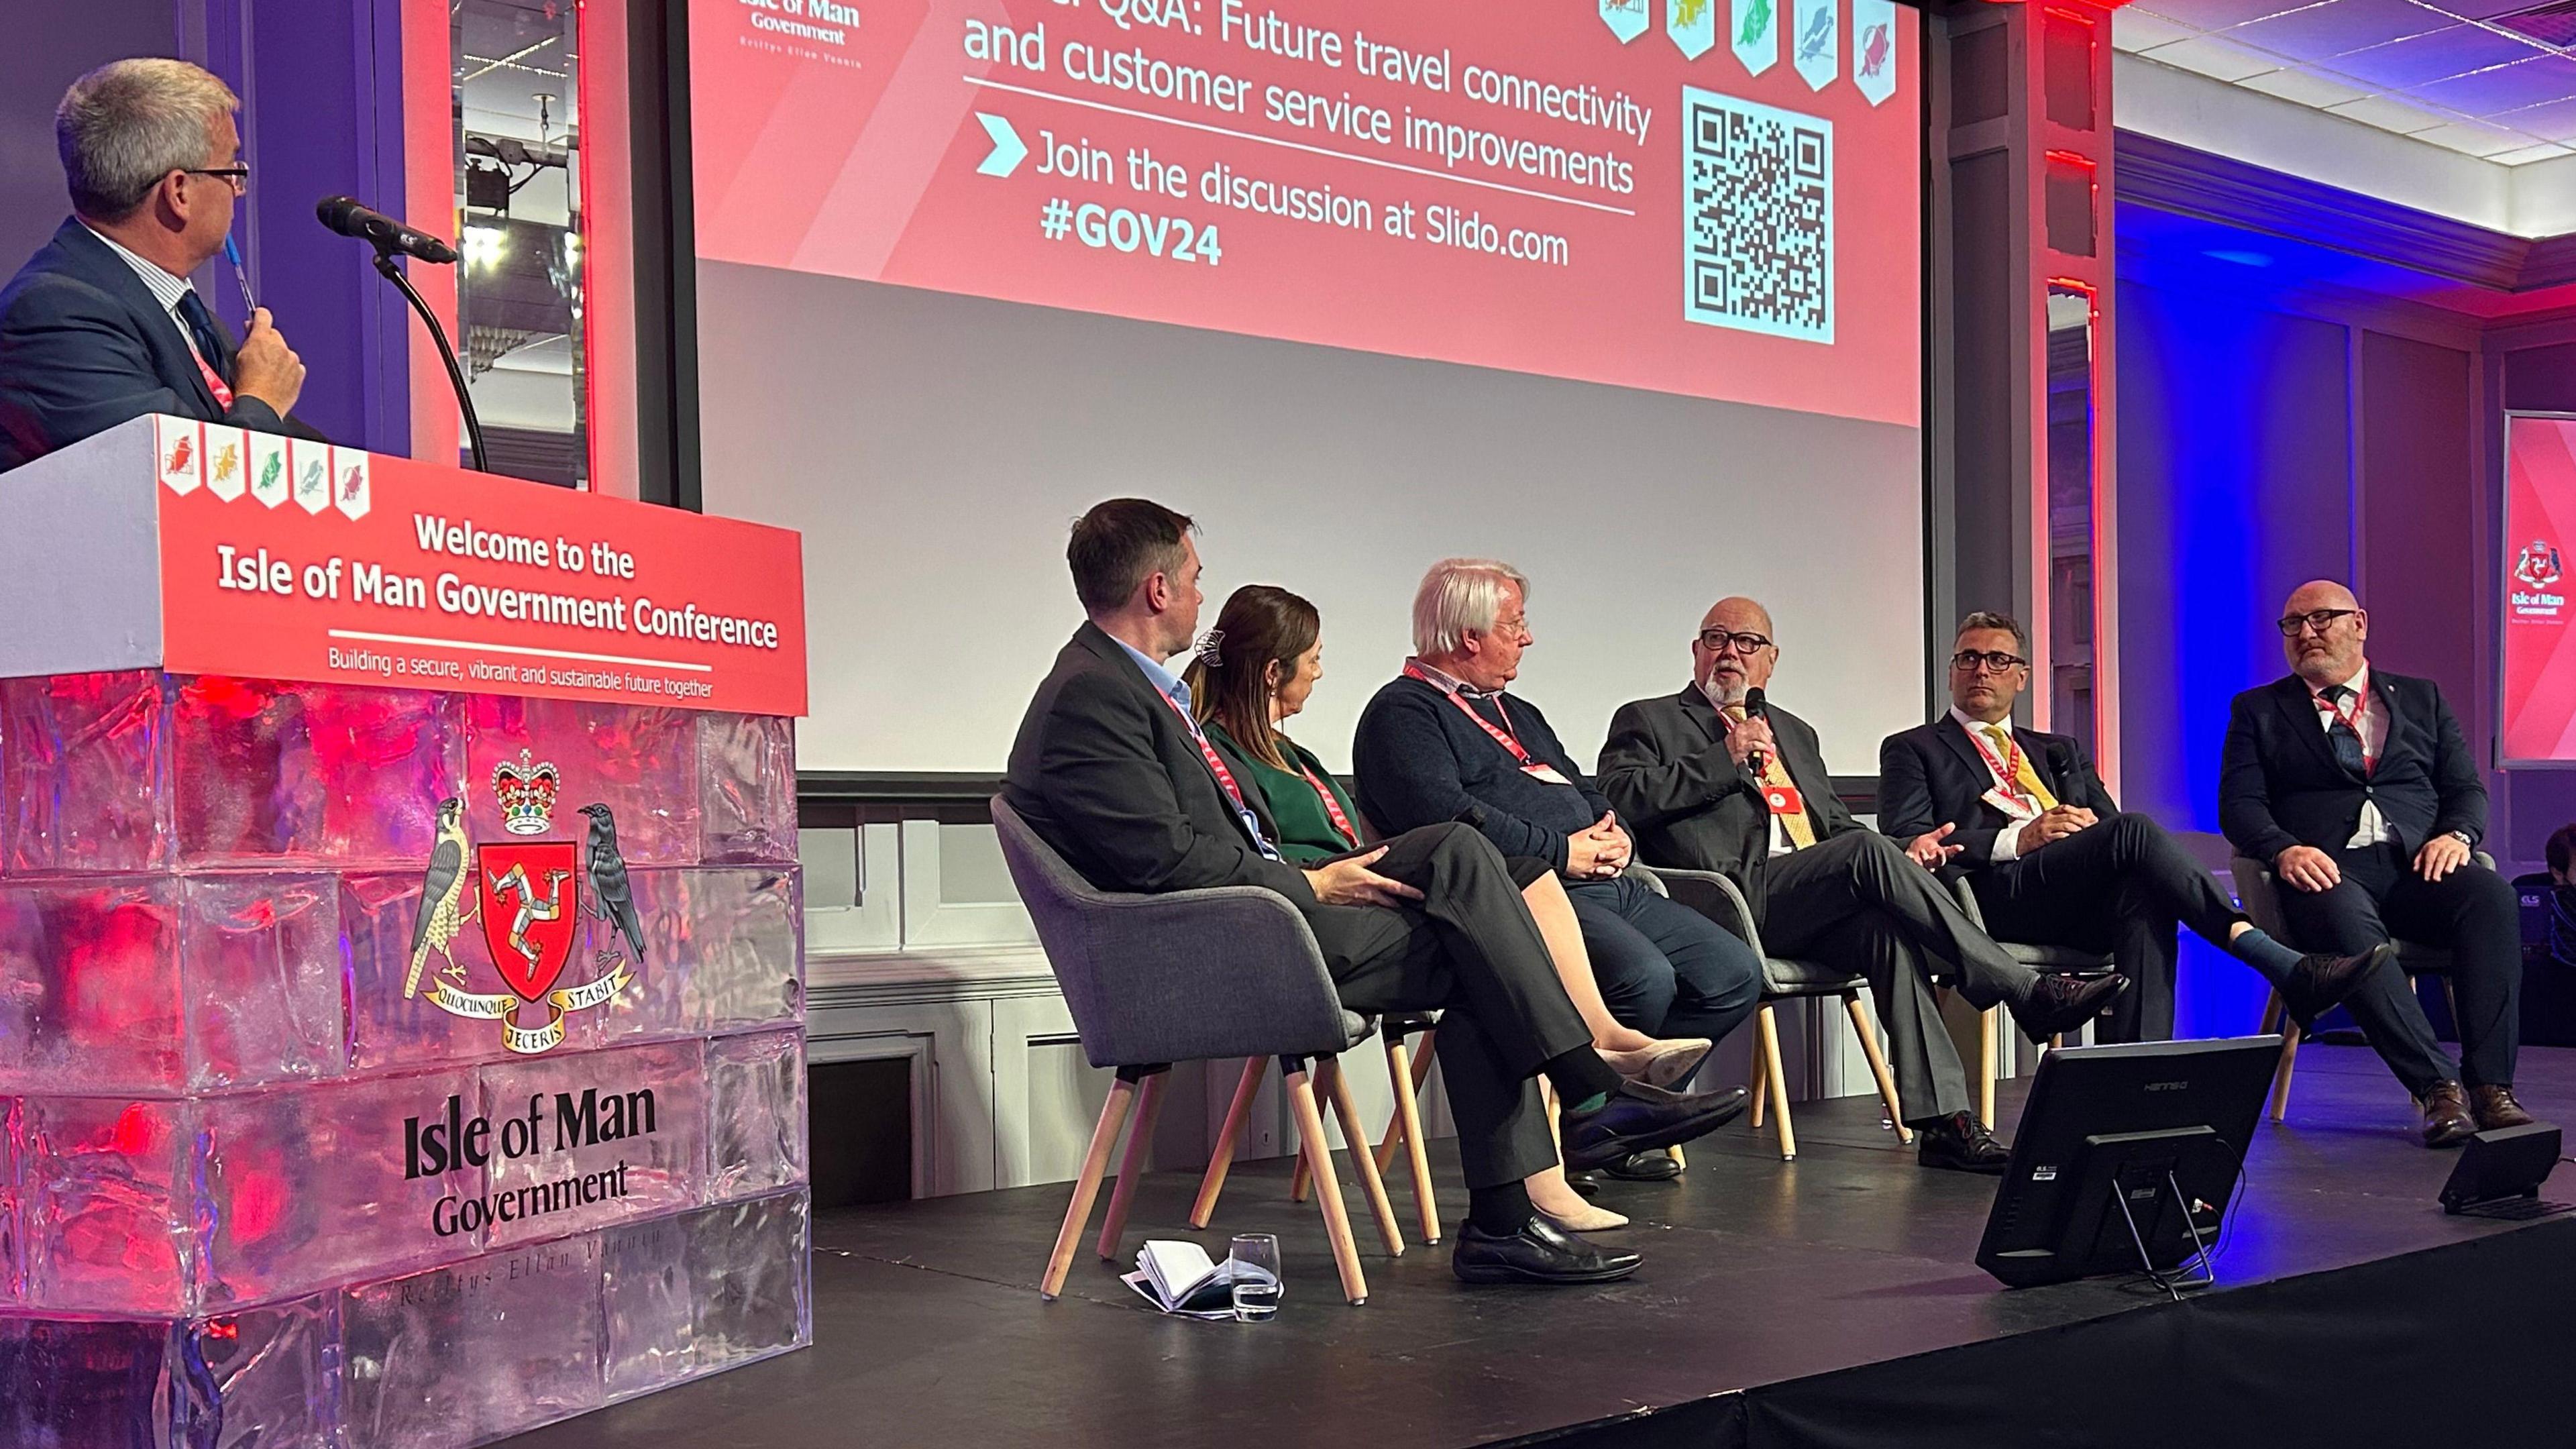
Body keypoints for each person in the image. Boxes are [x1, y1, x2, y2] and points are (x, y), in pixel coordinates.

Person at [1005, 501, 1749, 1285]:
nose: (1199, 597)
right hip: (1214, 945)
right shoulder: (1095, 696)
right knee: (1479, 943)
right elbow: (1166, 862)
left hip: (1258, 919)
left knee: (1463, 863)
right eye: (1193, 579)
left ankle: (1567, 1135)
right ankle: (1571, 1127)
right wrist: (1312, 880)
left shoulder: (1131, 687)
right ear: (1157, 590)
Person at [1186, 583, 1713, 1231]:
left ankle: (1534, 1188)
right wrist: (1316, 877)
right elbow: (1246, 859)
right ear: (1274, 670)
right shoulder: (1216, 753)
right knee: (1466, 860)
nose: (1322, 673)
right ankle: (1589, 1089)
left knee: (1503, 921)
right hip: (1303, 925)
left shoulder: (1295, 755)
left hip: (1362, 907)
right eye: (1315, 659)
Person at [1597, 597, 2129, 1172]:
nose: (1731, 653)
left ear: (1770, 662)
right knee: (1861, 853)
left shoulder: (1794, 733)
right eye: (1717, 639)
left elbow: (1838, 827)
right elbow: (1622, 799)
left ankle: (1945, 1123)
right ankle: (2021, 989)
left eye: (1748, 643)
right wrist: (1723, 759)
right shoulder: (1649, 719)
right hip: (1727, 901)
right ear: (1697, 652)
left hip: (1807, 895)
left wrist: (1908, 851)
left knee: (1885, 932)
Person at [1352, 559, 1763, 1183]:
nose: (1528, 636)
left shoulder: (1519, 710)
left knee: (1732, 972)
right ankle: (1595, 1116)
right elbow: (1447, 821)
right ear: (1469, 636)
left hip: (1605, 880)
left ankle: (1610, 1109)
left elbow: (1578, 784)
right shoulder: (1403, 714)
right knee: (1643, 978)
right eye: (1515, 623)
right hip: (1525, 894)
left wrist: (1613, 830)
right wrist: (1561, 851)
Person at [1879, 611, 2390, 1044]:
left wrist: (2079, 832)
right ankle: (2276, 960)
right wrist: (2017, 839)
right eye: (1968, 658)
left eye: (1997, 660)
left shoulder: (2057, 750)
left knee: (2145, 894)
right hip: (1994, 896)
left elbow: (2107, 823)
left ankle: (2131, 1090)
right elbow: (1908, 840)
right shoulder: (1914, 748)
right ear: (1950, 673)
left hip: (2073, 892)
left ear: (2022, 676)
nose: (1981, 670)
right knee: (2135, 832)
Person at [2219, 580, 2531, 1146]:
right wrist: (2283, 848)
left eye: (2320, 619)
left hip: (2416, 868)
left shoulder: (2421, 699)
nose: (2306, 633)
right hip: (2325, 870)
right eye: (2293, 625)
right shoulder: (2259, 710)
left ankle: (2492, 1089)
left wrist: (2457, 834)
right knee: (2348, 926)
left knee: (2491, 897)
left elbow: (2463, 787)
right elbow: (2239, 805)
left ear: (2359, 623)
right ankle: (2438, 1089)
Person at [0, 58, 313, 473]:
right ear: (179, 192)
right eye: (230, 170)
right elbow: (182, 480)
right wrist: (262, 400)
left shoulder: (192, 320)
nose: (238, 190)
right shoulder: (54, 315)